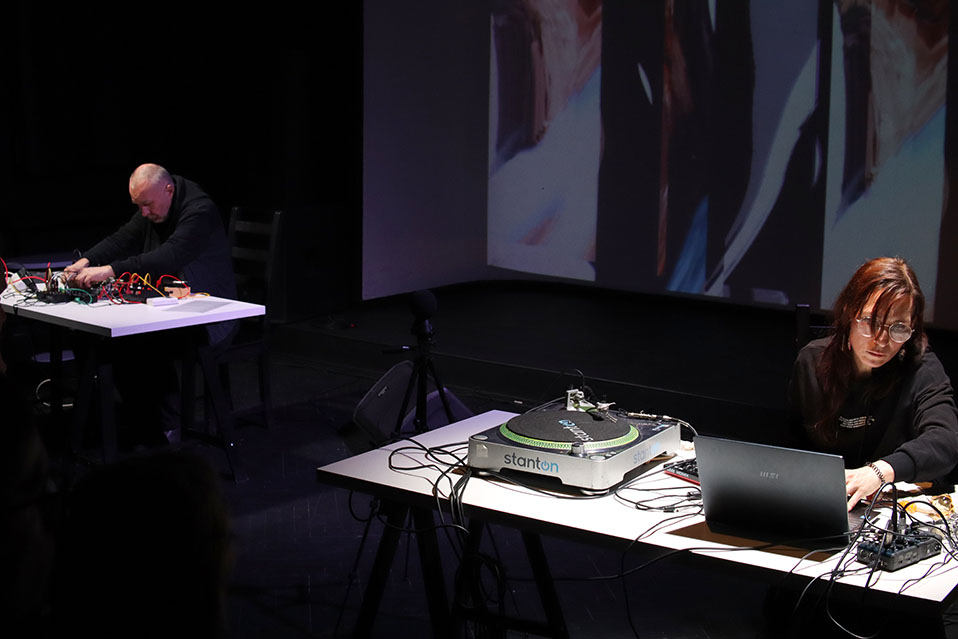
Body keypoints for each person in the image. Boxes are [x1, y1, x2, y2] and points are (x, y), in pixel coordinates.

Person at [64, 164, 238, 442]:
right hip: (171, 304)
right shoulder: (154, 203)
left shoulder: (199, 210)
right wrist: (85, 261)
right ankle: (145, 422)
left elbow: (169, 255)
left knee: (141, 342)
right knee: (99, 339)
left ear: (168, 190)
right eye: (139, 206)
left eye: (147, 205)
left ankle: (165, 427)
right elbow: (122, 238)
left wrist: (109, 270)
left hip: (211, 315)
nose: (144, 213)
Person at [789, 256, 958, 510]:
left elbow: (946, 441)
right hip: (821, 504)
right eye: (870, 322)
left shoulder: (923, 370)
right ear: (849, 313)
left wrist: (880, 472)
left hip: (892, 510)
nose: (880, 341)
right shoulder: (812, 362)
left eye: (898, 328)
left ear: (912, 327)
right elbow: (790, 451)